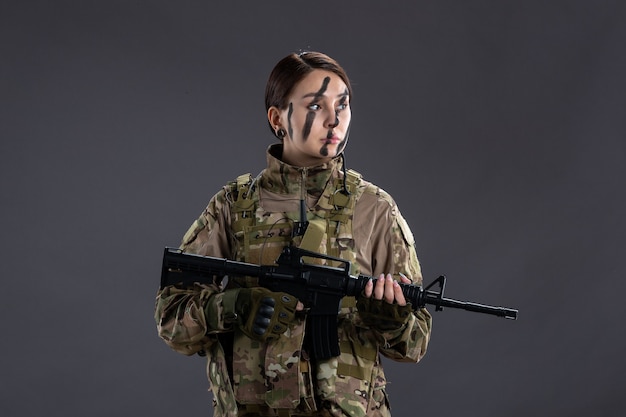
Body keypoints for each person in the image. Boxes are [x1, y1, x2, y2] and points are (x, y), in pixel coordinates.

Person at [155, 51, 432, 417]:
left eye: (343, 105)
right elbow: (172, 321)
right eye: (316, 106)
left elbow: (414, 345)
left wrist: (391, 318)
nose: (335, 121)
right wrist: (232, 306)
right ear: (277, 118)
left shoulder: (375, 209)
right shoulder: (232, 207)